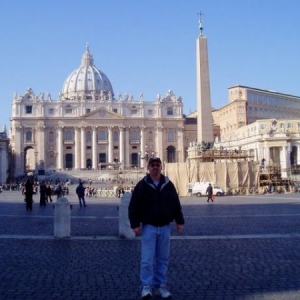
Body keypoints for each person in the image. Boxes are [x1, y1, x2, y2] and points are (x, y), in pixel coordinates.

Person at [128, 157, 184, 299]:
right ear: (148, 168)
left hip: (165, 226)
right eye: (152, 165)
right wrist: (135, 224)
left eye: (157, 165)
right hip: (149, 227)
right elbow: (134, 205)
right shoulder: (142, 185)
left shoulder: (168, 184)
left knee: (163, 259)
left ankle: (161, 286)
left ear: (161, 167)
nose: (155, 167)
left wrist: (179, 221)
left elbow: (175, 203)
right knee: (147, 259)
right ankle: (146, 287)